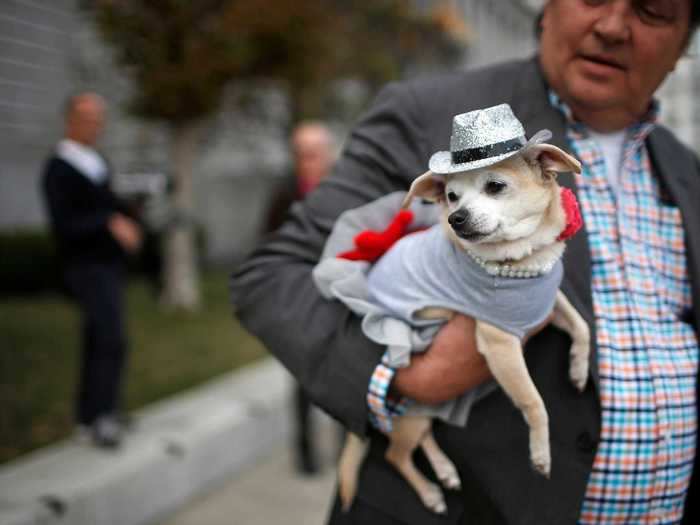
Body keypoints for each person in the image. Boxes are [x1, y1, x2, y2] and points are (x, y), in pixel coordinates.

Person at [231, 1, 700, 523]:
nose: (612, 26)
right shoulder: (425, 112)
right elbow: (273, 274)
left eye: (653, 10)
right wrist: (403, 375)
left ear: (684, 42)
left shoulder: (687, 170)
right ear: (546, 8)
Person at [42, 92, 142, 449]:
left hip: (109, 265)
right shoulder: (59, 166)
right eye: (88, 117)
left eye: (100, 117)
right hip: (85, 267)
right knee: (109, 338)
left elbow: (111, 204)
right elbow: (65, 224)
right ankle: (99, 417)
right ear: (70, 118)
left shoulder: (96, 161)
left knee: (100, 339)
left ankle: (96, 413)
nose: (96, 125)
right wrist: (109, 223)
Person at [267, 122, 336, 474]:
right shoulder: (284, 192)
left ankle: (345, 451)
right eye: (301, 154)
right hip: (300, 298)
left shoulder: (345, 188)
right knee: (303, 379)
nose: (307, 161)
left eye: (313, 153)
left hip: (341, 297)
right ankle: (306, 454)